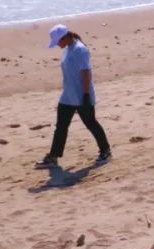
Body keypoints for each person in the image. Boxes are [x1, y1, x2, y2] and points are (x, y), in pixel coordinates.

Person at [35, 25, 110, 168]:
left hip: (81, 95)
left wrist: (86, 95)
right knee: (61, 126)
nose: (57, 44)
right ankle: (53, 156)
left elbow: (86, 73)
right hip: (67, 95)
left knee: (91, 123)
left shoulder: (80, 50)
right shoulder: (68, 49)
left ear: (66, 37)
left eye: (58, 41)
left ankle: (106, 151)